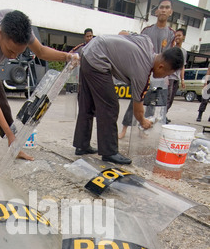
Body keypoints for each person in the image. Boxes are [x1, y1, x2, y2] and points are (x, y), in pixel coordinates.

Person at [0, 10, 78, 174]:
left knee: (4, 103)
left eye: (18, 53)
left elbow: (41, 52)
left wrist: (67, 57)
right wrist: (10, 135)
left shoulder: (21, 29)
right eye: (10, 51)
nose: (13, 56)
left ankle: (14, 148)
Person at [73, 33, 183, 165]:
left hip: (89, 51)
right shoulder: (143, 72)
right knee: (110, 106)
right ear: (161, 66)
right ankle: (109, 152)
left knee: (88, 104)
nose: (163, 77)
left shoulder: (147, 42)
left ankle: (82, 145)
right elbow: (138, 109)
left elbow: (124, 34)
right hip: (97, 60)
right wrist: (143, 121)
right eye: (166, 74)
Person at [118, 0, 175, 139]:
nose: (163, 10)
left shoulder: (171, 34)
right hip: (144, 70)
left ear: (171, 12)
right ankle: (125, 128)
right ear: (156, 11)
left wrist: (166, 76)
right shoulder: (147, 30)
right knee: (136, 101)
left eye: (167, 8)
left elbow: (171, 57)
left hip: (160, 74)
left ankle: (142, 129)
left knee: (152, 105)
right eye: (161, 7)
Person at [166, 28, 187, 121]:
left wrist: (182, 80)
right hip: (169, 77)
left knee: (171, 100)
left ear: (184, 37)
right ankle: (162, 116)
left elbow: (182, 67)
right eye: (176, 35)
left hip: (176, 79)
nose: (177, 37)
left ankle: (164, 115)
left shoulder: (184, 52)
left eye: (179, 35)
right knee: (167, 97)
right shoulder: (171, 49)